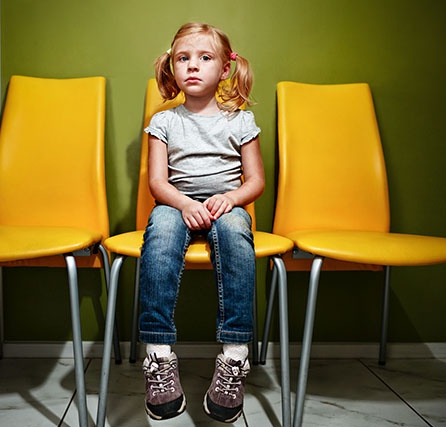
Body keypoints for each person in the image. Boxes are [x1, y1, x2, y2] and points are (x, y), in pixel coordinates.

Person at [139, 22, 264, 423]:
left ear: (225, 69)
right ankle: (158, 356)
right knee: (159, 233)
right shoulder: (164, 122)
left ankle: (234, 356)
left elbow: (256, 181)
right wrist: (183, 203)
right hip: (175, 205)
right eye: (183, 58)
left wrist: (229, 199)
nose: (193, 66)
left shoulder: (241, 121)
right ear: (172, 68)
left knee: (235, 234)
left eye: (204, 58)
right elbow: (158, 183)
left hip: (225, 208)